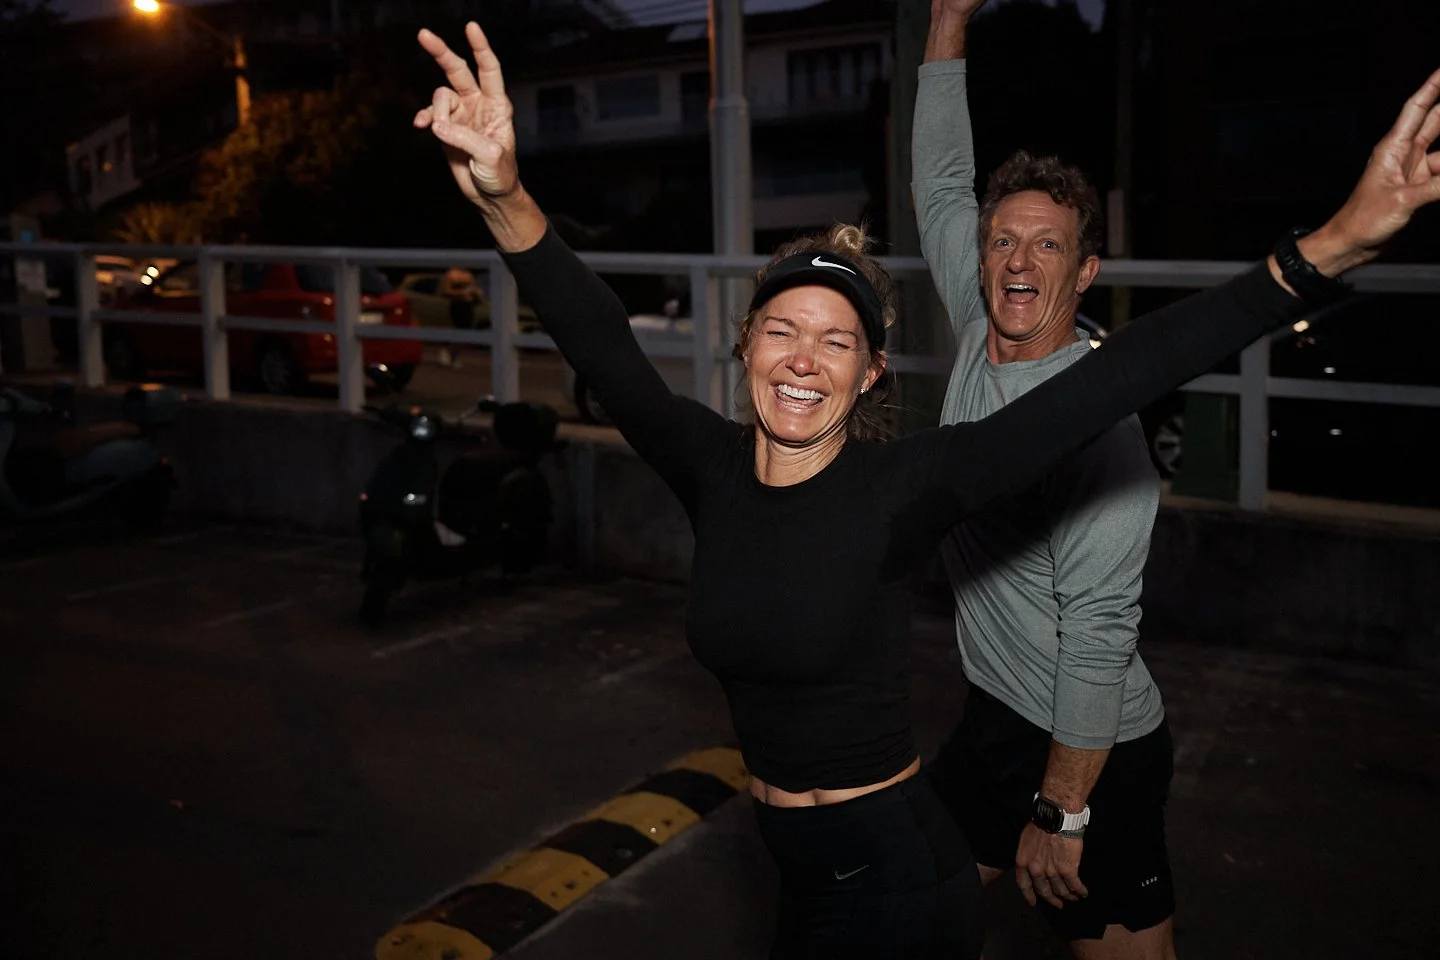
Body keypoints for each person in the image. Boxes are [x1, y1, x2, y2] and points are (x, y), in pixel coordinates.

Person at [413, 20, 1439, 957]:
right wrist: (505, 193)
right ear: (744, 348)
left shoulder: (907, 487)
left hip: (895, 878)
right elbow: (598, 333)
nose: (805, 358)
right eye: (783, 329)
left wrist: (1330, 248)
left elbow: (1120, 375)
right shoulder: (707, 466)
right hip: (808, 862)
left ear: (868, 377)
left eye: (837, 341)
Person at [913, 2, 1179, 955]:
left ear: (1086, 270)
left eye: (1048, 245)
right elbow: (941, 179)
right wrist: (949, 19)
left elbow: (1101, 629)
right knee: (904, 909)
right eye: (1002, 240)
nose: (1018, 262)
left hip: (1090, 746)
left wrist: (1064, 810)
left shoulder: (1098, 425)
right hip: (993, 715)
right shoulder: (984, 321)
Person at [438, 265, 482, 368]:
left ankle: (454, 355)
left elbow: (474, 289)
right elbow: (446, 291)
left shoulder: (468, 275)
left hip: (468, 305)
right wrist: (462, 293)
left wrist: (476, 293)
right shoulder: (452, 274)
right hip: (457, 304)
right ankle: (447, 352)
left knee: (466, 331)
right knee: (457, 329)